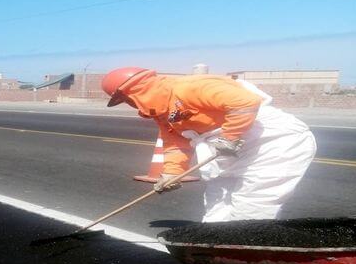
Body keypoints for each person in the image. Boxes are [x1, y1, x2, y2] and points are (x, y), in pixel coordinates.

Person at [101, 67, 317, 222]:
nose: (130, 105)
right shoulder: (162, 111)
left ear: (135, 91)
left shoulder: (189, 87)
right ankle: (217, 254)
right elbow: (176, 143)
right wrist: (171, 173)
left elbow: (244, 102)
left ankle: (246, 259)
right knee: (217, 204)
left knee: (252, 205)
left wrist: (230, 136)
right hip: (231, 149)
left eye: (127, 100)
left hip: (272, 142)